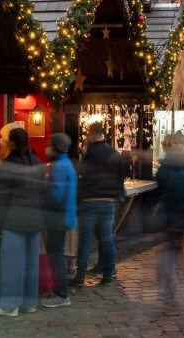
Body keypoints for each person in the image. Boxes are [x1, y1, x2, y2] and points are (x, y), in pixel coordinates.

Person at [0, 127, 47, 316]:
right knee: (32, 263)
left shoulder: (8, 165)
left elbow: (2, 198)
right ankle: (30, 303)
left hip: (14, 218)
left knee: (11, 264)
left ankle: (10, 305)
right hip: (35, 218)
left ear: (12, 143)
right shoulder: (38, 163)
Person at [71, 123, 124, 287]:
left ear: (92, 134)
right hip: (108, 202)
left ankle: (79, 277)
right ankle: (108, 274)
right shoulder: (114, 153)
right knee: (107, 239)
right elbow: (121, 176)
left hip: (89, 201)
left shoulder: (90, 154)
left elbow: (82, 175)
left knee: (86, 239)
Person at [155, 134, 184, 297]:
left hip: (170, 212)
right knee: (179, 245)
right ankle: (178, 278)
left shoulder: (167, 168)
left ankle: (167, 279)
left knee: (173, 245)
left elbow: (159, 183)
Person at [41, 133, 77, 308]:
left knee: (56, 256)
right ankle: (58, 291)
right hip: (64, 215)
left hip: (57, 217)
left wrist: (42, 192)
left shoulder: (58, 166)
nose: (47, 146)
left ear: (55, 147)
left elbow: (56, 195)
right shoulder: (66, 163)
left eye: (49, 143)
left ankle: (61, 294)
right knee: (57, 255)